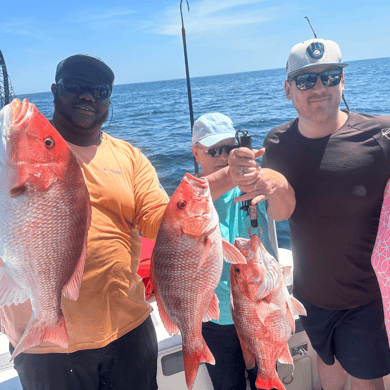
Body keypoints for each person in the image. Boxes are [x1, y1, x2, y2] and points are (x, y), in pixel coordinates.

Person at [0, 54, 293, 390]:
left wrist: (228, 175)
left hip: (128, 330)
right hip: (43, 341)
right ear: (54, 91)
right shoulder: (9, 153)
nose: (87, 96)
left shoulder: (129, 157)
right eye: (75, 85)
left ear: (108, 101)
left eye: (99, 90)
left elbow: (161, 219)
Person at [237, 38, 390, 390]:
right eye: (306, 80)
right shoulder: (276, 142)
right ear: (288, 89)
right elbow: (278, 212)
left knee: (368, 381)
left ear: (342, 81)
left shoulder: (381, 134)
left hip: (366, 296)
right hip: (310, 295)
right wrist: (271, 187)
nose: (319, 88)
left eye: (330, 76)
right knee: (328, 365)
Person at [191, 112, 295, 390]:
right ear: (195, 153)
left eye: (229, 149)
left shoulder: (251, 184)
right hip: (215, 317)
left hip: (260, 306)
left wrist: (277, 184)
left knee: (266, 370)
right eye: (214, 150)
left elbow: (284, 212)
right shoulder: (188, 198)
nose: (223, 156)